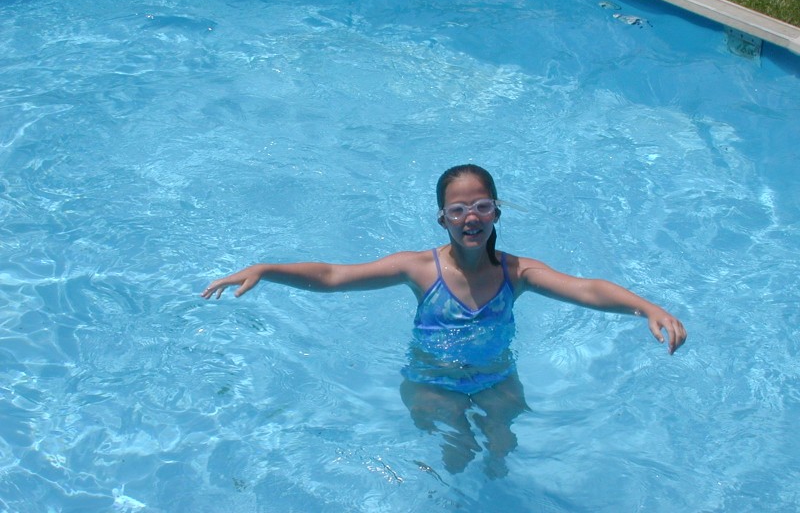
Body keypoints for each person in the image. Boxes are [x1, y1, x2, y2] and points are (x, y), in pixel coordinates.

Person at [201, 164, 686, 477]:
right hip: (431, 380)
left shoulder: (516, 273)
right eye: (458, 210)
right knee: (456, 459)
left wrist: (646, 306)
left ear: (496, 213)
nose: (470, 217)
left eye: (482, 206)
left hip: (497, 377)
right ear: (443, 220)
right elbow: (332, 276)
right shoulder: (418, 268)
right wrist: (265, 269)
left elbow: (584, 287)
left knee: (501, 452)